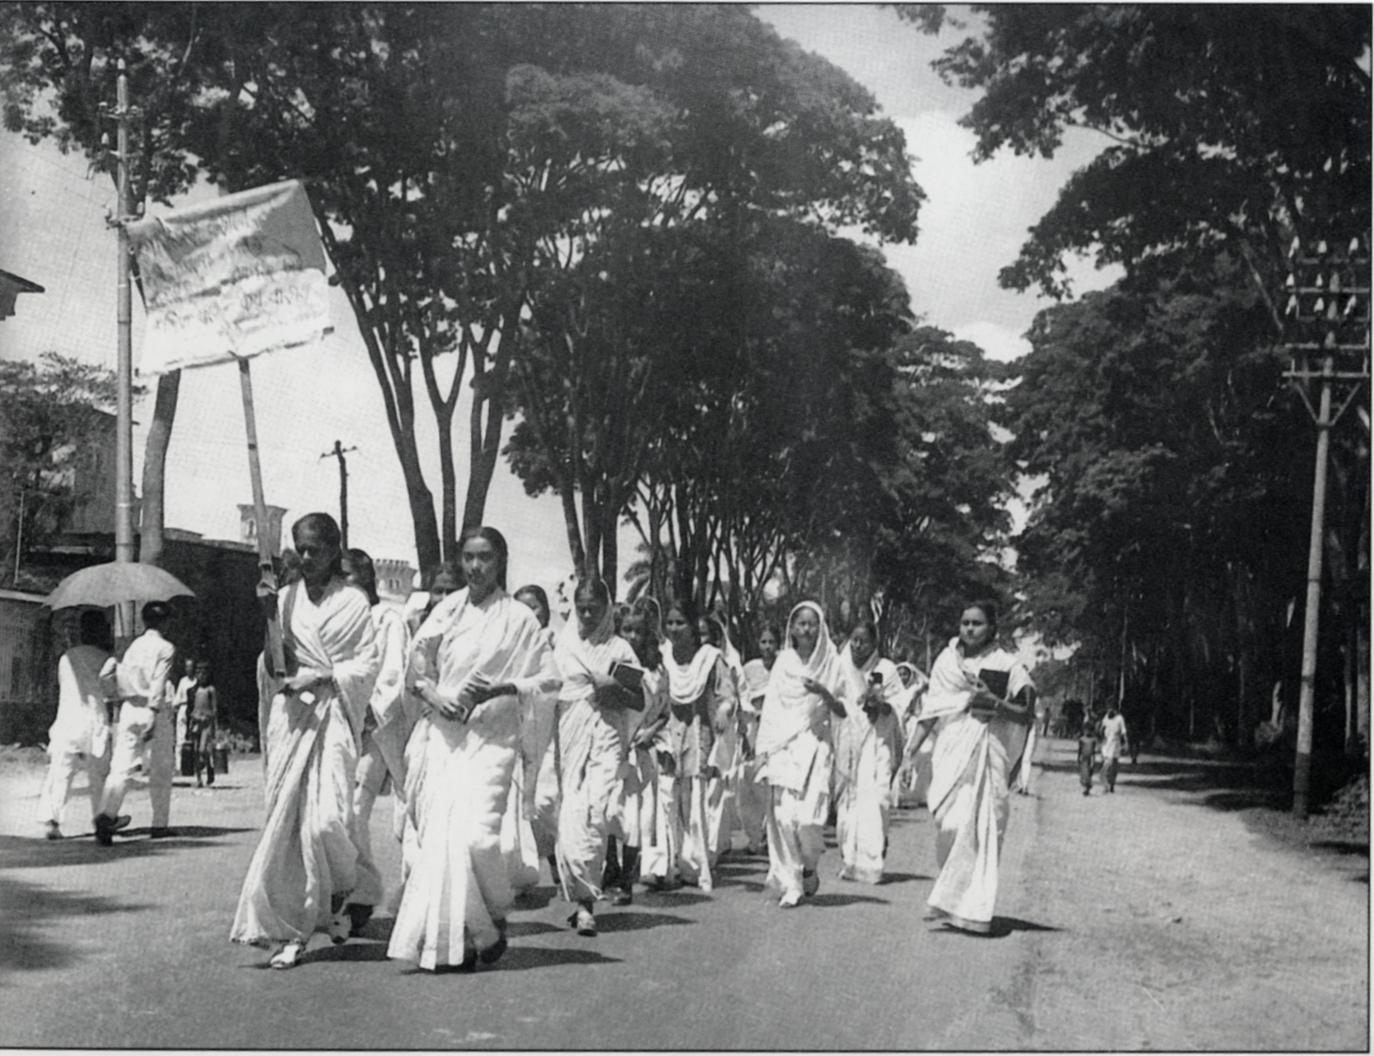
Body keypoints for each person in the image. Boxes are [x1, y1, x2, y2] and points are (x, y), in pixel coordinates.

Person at [387, 526, 559, 971]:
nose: (475, 566)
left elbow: (549, 680)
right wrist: (433, 695)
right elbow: (415, 670)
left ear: (500, 561)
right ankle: (464, 938)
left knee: (477, 837)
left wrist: (503, 687)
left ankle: (491, 915)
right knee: (442, 841)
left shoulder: (519, 619)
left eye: (484, 557)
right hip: (444, 738)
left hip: (493, 740)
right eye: (468, 557)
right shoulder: (446, 611)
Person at [230, 512, 381, 969]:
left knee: (328, 821)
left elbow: (366, 666)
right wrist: (266, 616)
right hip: (292, 717)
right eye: (302, 548)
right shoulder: (285, 598)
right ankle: (289, 929)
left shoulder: (353, 602)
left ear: (335, 550)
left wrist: (325, 675)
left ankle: (340, 885)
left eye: (317, 549)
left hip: (333, 715)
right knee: (289, 829)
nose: (308, 557)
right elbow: (273, 663)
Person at [901, 599, 1035, 934]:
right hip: (951, 753)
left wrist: (996, 703)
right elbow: (931, 713)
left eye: (977, 623)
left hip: (988, 753)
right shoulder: (947, 661)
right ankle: (954, 895)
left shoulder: (1008, 664)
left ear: (992, 628)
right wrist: (908, 755)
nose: (969, 629)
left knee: (981, 827)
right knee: (949, 826)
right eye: (965, 623)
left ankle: (973, 910)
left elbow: (1026, 711)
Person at [553, 578, 641, 936]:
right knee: (573, 813)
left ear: (608, 608)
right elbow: (548, 696)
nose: (588, 615)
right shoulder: (563, 646)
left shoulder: (621, 648)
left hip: (606, 737)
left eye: (595, 608)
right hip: (570, 739)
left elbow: (639, 701)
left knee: (598, 810)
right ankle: (584, 903)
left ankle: (588, 896)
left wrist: (613, 688)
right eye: (582, 607)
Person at [753, 600, 847, 908]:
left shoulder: (832, 662)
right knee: (782, 816)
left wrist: (823, 692)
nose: (806, 629)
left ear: (820, 627)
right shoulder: (783, 663)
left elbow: (844, 710)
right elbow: (771, 711)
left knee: (809, 820)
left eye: (811, 623)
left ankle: (809, 867)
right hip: (783, 747)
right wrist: (764, 750)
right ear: (792, 628)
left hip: (817, 745)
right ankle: (791, 882)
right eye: (800, 623)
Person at [341, 547, 413, 934]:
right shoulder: (338, 619)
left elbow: (392, 675)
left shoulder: (386, 618)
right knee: (342, 812)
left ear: (366, 581)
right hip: (341, 728)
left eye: (350, 578)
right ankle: (357, 892)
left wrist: (366, 711)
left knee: (360, 807)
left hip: (374, 730)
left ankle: (372, 894)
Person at [659, 595, 737, 892]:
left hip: (696, 731)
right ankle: (668, 865)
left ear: (693, 627)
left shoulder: (709, 658)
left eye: (681, 623)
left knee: (694, 800)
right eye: (670, 623)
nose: (674, 629)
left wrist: (723, 711)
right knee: (667, 798)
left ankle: (697, 866)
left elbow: (726, 692)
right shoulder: (663, 655)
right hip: (666, 733)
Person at [94, 600, 178, 845]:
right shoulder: (166, 648)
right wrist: (153, 712)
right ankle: (159, 824)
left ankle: (107, 815)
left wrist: (113, 694)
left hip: (129, 708)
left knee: (121, 766)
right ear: (164, 622)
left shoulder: (129, 648)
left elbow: (104, 674)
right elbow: (159, 682)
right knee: (161, 767)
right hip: (153, 709)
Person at [604, 601, 671, 905]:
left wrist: (650, 732)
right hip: (611, 750)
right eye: (626, 629)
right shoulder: (612, 665)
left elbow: (664, 712)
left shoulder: (657, 671)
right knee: (608, 812)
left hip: (641, 754)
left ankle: (626, 881)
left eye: (639, 631)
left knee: (634, 818)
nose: (632, 636)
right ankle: (609, 868)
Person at [833, 620, 905, 884]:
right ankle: (850, 861)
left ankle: (872, 863)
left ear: (874, 644)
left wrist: (881, 703)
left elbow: (900, 706)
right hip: (849, 741)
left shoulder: (886, 669)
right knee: (849, 805)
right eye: (854, 639)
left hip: (879, 740)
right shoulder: (841, 666)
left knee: (877, 798)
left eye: (863, 641)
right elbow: (834, 700)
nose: (857, 645)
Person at [39, 610, 115, 839]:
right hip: (94, 721)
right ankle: (101, 819)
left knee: (61, 772)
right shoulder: (106, 659)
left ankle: (53, 821)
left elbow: (63, 685)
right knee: (98, 775)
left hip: (67, 720)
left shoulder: (66, 657)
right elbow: (110, 691)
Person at [514, 583, 560, 889]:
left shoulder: (556, 643)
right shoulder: (511, 645)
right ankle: (521, 871)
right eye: (522, 608)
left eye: (535, 607)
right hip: (517, 732)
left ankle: (560, 857)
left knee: (546, 799)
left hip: (550, 733)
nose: (529, 614)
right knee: (518, 805)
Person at [699, 611, 744, 860]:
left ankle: (712, 848)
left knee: (715, 788)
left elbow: (731, 696)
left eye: (706, 634)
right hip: (695, 730)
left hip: (719, 731)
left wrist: (725, 712)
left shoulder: (722, 662)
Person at [737, 624, 781, 854]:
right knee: (750, 784)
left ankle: (771, 836)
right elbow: (742, 698)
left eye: (771, 642)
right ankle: (755, 837)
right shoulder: (750, 669)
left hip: (777, 731)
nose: (767, 647)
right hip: (753, 730)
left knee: (771, 784)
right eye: (763, 642)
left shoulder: (784, 667)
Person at [188, 660, 218, 787]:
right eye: (198, 673)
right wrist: (192, 718)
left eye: (204, 673)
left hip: (207, 723)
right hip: (196, 722)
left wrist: (209, 718)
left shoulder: (210, 690)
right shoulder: (193, 690)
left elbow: (214, 709)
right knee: (195, 751)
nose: (201, 675)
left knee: (203, 750)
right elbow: (190, 709)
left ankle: (209, 767)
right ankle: (199, 778)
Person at [1098, 706, 1129, 793]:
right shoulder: (1106, 717)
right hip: (1106, 743)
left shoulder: (1119, 719)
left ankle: (1112, 784)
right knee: (1105, 764)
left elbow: (1123, 731)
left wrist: (1126, 743)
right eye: (1108, 709)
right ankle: (1105, 784)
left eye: (1111, 709)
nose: (1109, 711)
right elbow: (1102, 728)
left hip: (1115, 744)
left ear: (1115, 710)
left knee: (1113, 766)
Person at [172, 656, 197, 764]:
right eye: (187, 667)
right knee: (181, 736)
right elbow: (177, 698)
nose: (189, 669)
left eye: (191, 667)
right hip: (183, 707)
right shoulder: (183, 682)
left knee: (194, 736)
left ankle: (194, 763)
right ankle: (179, 763)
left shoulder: (197, 681)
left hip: (194, 709)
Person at [1077, 719, 1100, 796]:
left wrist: (1094, 760)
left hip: (1090, 759)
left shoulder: (1093, 740)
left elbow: (1094, 751)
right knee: (1084, 774)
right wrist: (1078, 758)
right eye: (1085, 730)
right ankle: (1085, 788)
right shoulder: (1081, 739)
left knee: (1089, 773)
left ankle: (1087, 787)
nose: (1087, 732)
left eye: (1089, 730)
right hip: (1083, 759)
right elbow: (1079, 749)